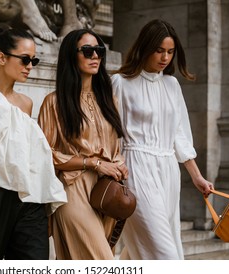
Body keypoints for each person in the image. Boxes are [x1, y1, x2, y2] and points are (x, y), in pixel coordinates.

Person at [0, 28, 67, 260]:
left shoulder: (26, 103)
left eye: (34, 60)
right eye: (25, 59)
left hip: (28, 196)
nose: (30, 66)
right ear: (2, 57)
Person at [111, 19, 214, 260]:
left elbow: (179, 135)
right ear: (145, 48)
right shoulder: (120, 83)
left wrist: (197, 177)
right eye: (159, 50)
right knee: (165, 254)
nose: (165, 57)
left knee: (145, 249)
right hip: (136, 167)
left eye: (170, 52)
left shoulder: (171, 85)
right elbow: (111, 133)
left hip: (168, 171)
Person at [37, 29, 128, 260]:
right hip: (72, 189)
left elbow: (116, 147)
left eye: (99, 50)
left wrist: (118, 163)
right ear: (71, 55)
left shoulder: (110, 101)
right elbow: (44, 154)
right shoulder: (54, 103)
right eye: (88, 51)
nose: (95, 56)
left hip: (107, 192)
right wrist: (93, 162)